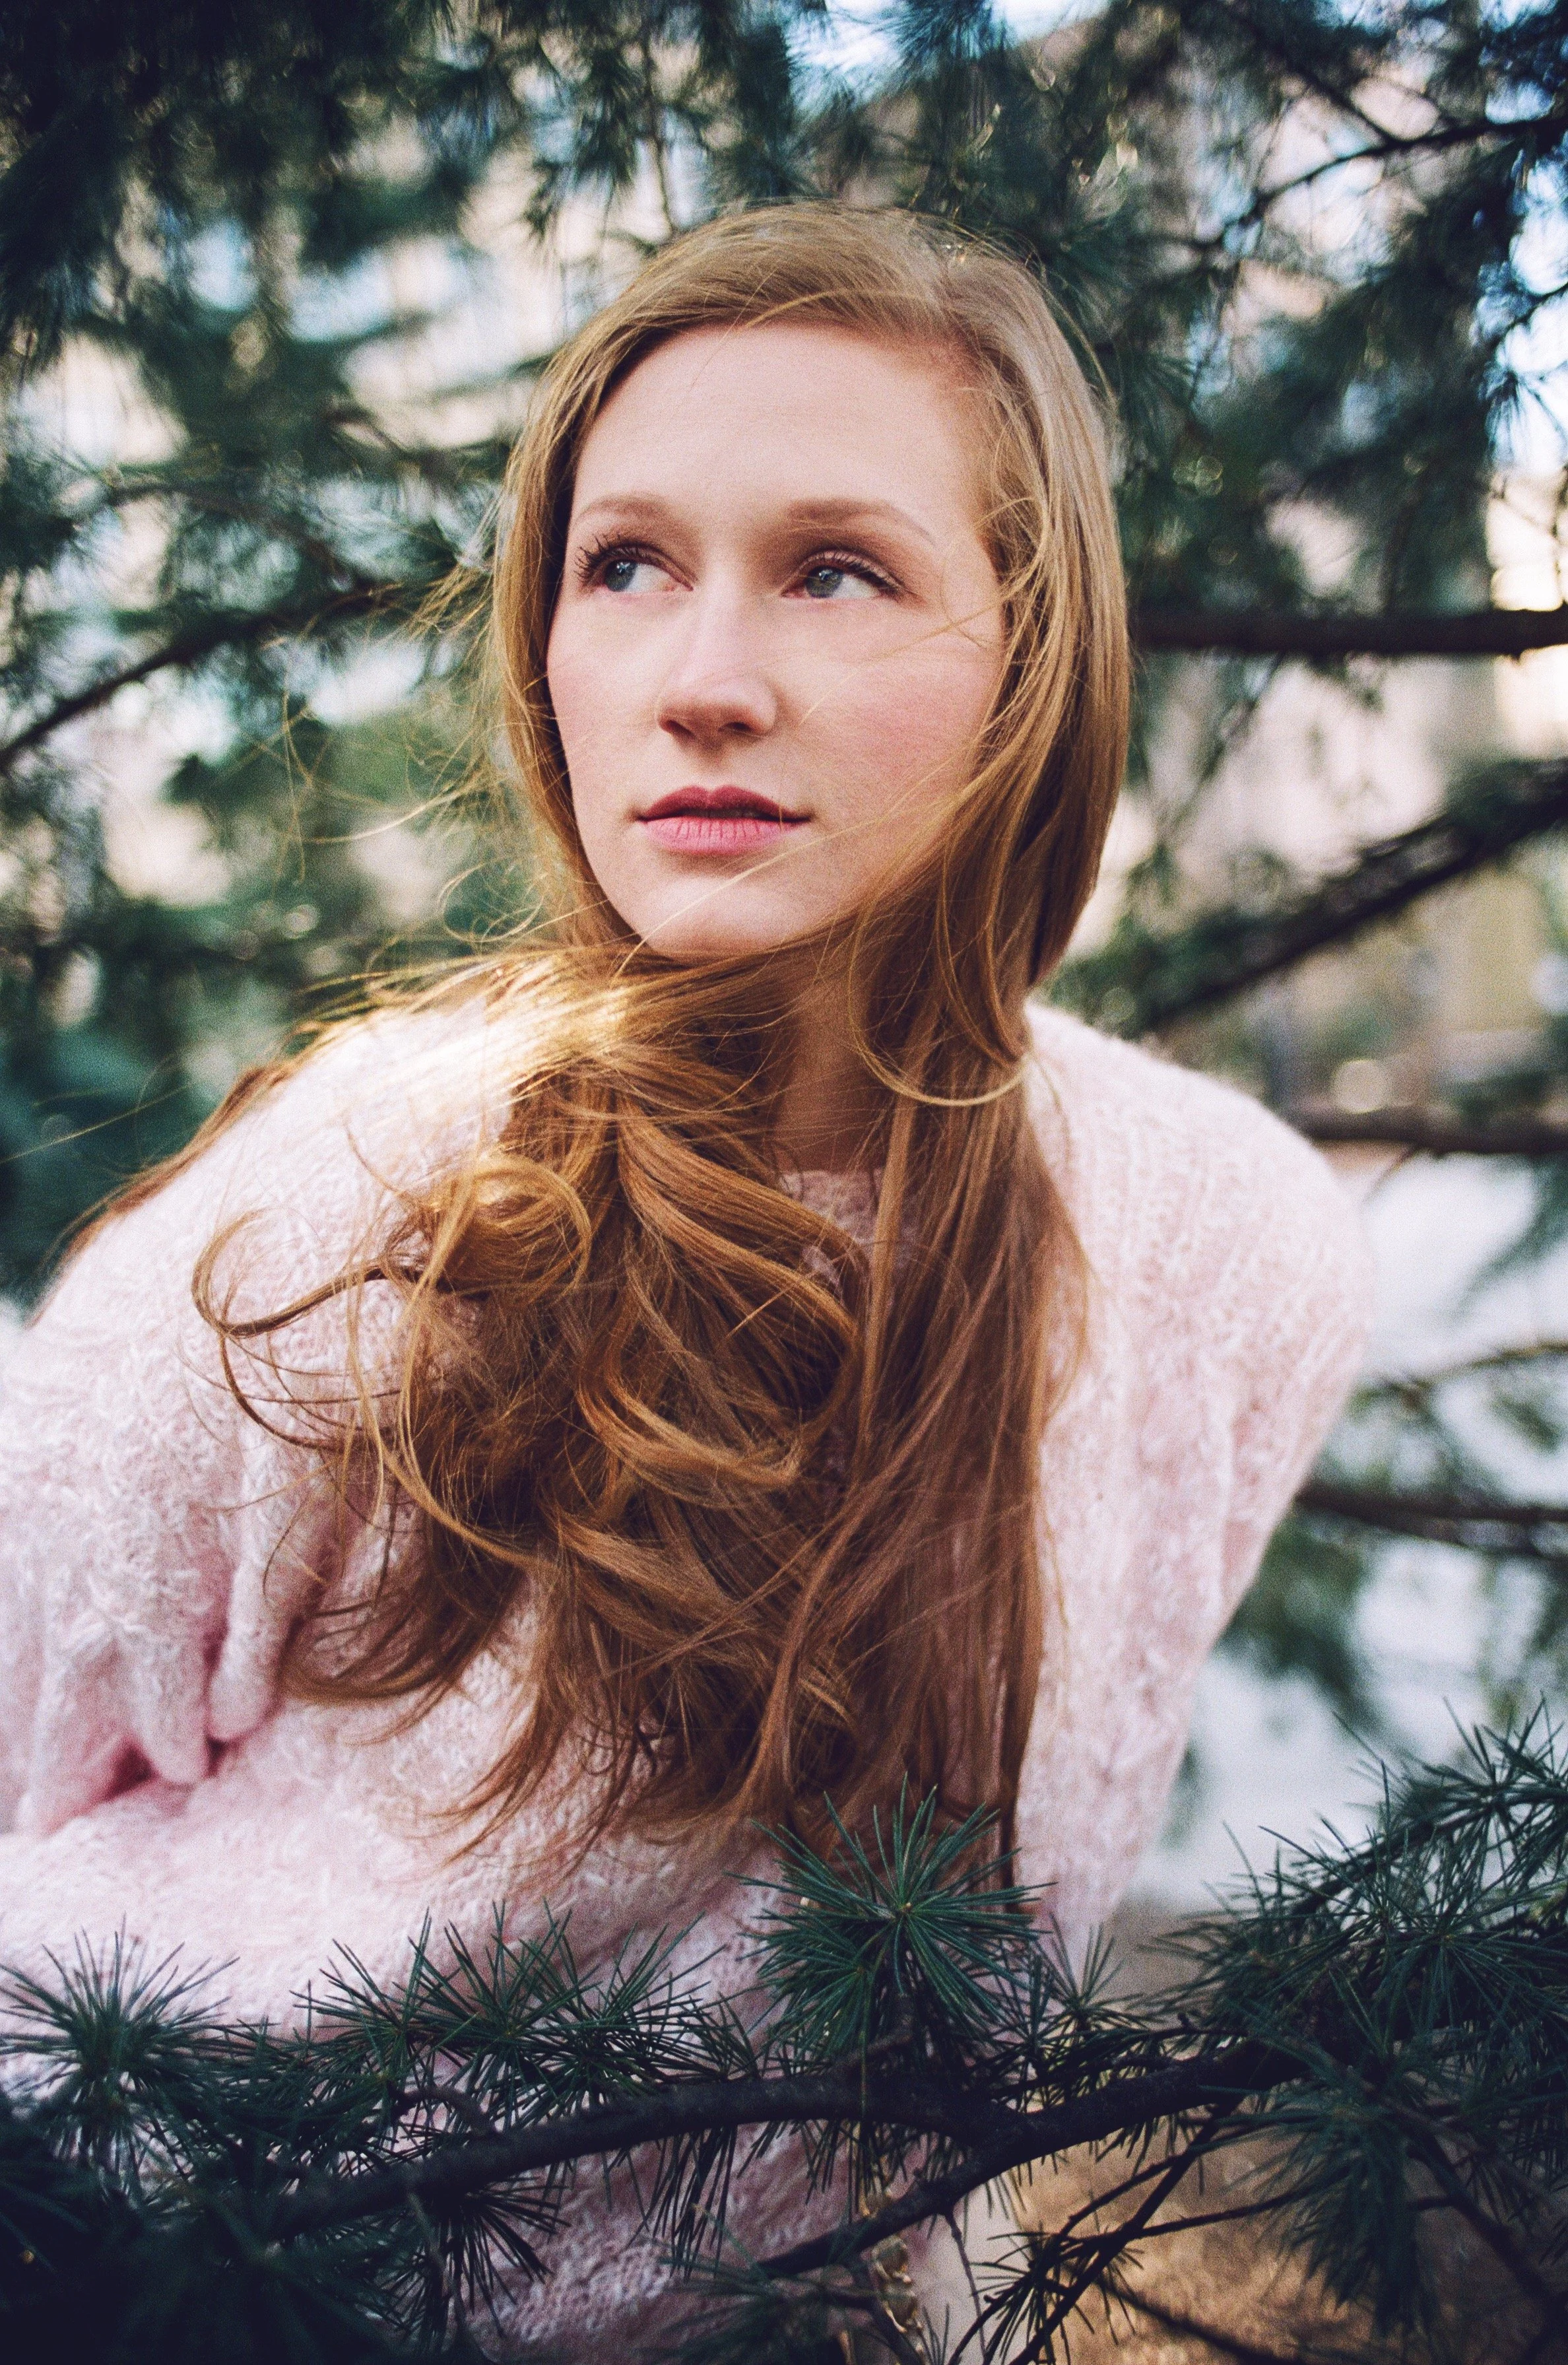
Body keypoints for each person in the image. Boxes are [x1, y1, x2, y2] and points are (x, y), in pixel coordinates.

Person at [0, 204, 1369, 2352]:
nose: (700, 675)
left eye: (839, 567)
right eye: (623, 563)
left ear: (1036, 657)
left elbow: (992, 1935)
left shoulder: (1230, 1243)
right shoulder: (365, 1195)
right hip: (172, 2265)